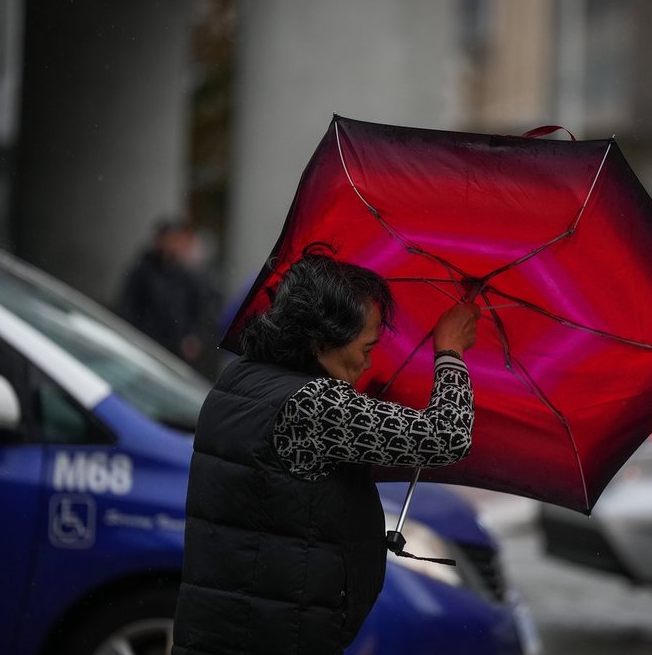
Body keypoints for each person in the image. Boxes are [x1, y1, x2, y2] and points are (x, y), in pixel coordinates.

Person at [171, 248, 479, 655]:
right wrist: (450, 351)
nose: (368, 365)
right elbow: (447, 435)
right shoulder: (314, 405)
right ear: (320, 341)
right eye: (366, 349)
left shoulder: (240, 380)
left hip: (222, 632)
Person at [117, 219, 219, 370]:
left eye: (177, 240)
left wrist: (194, 337)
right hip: (146, 347)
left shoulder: (187, 275)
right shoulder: (142, 272)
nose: (173, 245)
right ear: (159, 240)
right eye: (170, 239)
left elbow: (201, 310)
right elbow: (128, 307)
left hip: (176, 353)